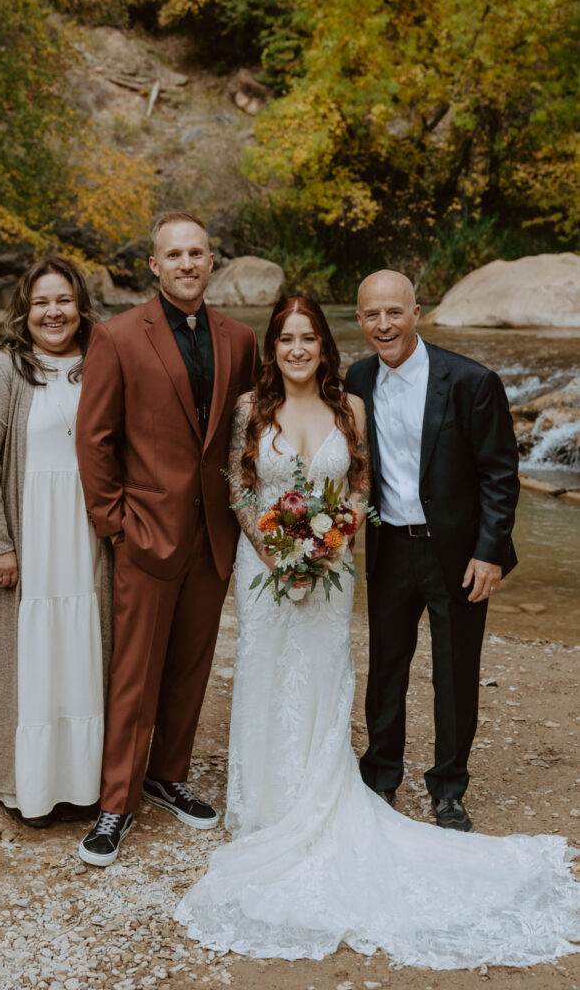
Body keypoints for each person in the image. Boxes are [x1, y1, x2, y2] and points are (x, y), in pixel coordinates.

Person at [174, 294, 580, 966]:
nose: (299, 348)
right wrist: (281, 551)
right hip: (306, 561)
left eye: (310, 337)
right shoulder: (286, 399)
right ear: (274, 345)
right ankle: (332, 785)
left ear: (413, 312)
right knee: (343, 666)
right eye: (287, 338)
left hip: (395, 552)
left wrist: (326, 545)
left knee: (429, 666)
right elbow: (240, 486)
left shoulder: (422, 389)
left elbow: (368, 484)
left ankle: (442, 789)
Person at [75, 211, 258, 866]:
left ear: (212, 261)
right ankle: (115, 802)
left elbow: (248, 435)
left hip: (213, 535)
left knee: (189, 665)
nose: (186, 263)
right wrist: (114, 524)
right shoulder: (117, 337)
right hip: (144, 533)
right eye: (173, 254)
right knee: (135, 671)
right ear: (152, 266)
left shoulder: (240, 340)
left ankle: (167, 774)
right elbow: (94, 439)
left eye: (197, 252)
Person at [345, 269, 520, 832]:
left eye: (394, 312)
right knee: (385, 669)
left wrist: (490, 551)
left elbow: (499, 473)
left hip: (457, 553)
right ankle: (380, 777)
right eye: (372, 314)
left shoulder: (471, 381)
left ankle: (448, 788)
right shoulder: (357, 378)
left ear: (417, 313)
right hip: (389, 547)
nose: (384, 324)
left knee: (454, 671)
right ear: (360, 320)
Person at [0, 256, 112, 827]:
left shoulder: (101, 361)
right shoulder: (1, 370)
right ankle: (29, 784)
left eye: (64, 301)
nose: (54, 312)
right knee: (29, 653)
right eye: (42, 302)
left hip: (84, 536)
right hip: (29, 534)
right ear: (23, 310)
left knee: (84, 648)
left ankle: (81, 783)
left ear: (81, 307)